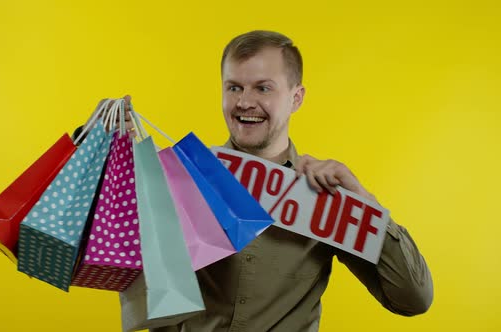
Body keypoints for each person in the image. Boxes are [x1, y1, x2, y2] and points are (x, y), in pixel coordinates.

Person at [102, 30, 433, 332]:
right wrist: (111, 157)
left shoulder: (322, 195)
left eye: (263, 88)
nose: (245, 102)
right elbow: (116, 260)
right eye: (234, 87)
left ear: (296, 98)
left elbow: (412, 299)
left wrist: (363, 202)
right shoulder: (182, 176)